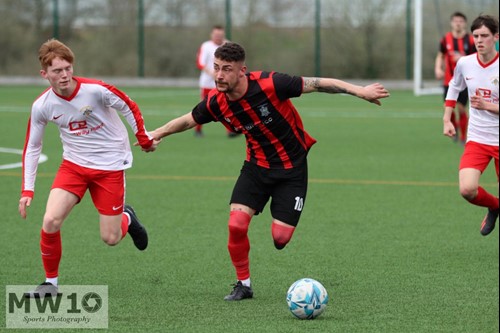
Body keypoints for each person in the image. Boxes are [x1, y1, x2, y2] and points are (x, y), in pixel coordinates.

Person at [147, 42, 390, 301]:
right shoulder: (217, 103)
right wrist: (157, 133)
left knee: (280, 238)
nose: (219, 75)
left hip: (292, 169)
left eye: (227, 69)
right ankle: (243, 284)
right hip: (256, 168)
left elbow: (319, 83)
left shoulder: (271, 84)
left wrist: (360, 91)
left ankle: (279, 221)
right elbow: (188, 120)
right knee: (236, 224)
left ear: (242, 71)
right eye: (216, 68)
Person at [18, 39, 160, 297]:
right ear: (44, 74)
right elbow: (32, 147)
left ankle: (128, 218)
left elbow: (128, 105)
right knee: (50, 220)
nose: (64, 75)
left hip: (110, 168)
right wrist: (27, 190)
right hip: (74, 167)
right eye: (57, 71)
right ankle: (50, 283)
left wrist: (142, 136)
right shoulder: (42, 105)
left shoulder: (95, 90)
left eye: (67, 68)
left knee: (111, 238)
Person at [442, 15, 499, 236]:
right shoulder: (465, 63)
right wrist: (447, 118)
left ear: (496, 37)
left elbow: (487, 105)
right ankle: (495, 206)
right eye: (476, 36)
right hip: (478, 138)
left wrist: (488, 106)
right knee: (467, 189)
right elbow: (454, 87)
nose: (479, 40)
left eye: (484, 35)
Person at [435, 12, 476, 144]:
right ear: (451, 23)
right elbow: (440, 55)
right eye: (455, 21)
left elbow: (476, 57)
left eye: (461, 21)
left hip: (465, 80)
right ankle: (454, 128)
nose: (458, 23)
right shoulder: (445, 39)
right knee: (447, 106)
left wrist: (463, 59)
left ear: (465, 23)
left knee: (460, 108)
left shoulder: (471, 40)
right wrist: (438, 68)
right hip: (448, 80)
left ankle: (464, 137)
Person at [195, 25, 228, 137]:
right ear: (212, 35)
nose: (218, 37)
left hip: (224, 82)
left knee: (227, 105)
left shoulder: (228, 45)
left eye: (220, 35)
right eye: (216, 35)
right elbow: (200, 63)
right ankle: (198, 130)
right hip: (207, 83)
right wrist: (212, 73)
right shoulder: (206, 46)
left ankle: (231, 131)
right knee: (204, 107)